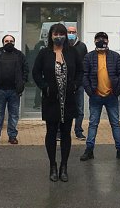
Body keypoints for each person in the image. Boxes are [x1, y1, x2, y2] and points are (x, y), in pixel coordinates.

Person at [32, 23, 84, 182]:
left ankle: (64, 166)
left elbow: (81, 71)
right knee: (51, 133)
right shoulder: (44, 53)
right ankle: (53, 166)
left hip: (68, 99)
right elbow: (35, 72)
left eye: (62, 33)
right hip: (51, 100)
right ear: (51, 36)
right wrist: (44, 87)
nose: (59, 36)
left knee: (66, 134)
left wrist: (75, 84)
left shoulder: (72, 52)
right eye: (56, 34)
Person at [80, 32, 120, 162]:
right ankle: (89, 150)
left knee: (115, 124)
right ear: (94, 41)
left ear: (108, 41)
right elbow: (84, 75)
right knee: (93, 124)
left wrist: (116, 91)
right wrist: (90, 91)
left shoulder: (115, 56)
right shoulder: (89, 57)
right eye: (98, 39)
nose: (101, 41)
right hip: (95, 96)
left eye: (104, 39)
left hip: (111, 96)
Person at [0, 34, 28, 145]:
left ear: (14, 42)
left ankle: (12, 136)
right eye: (6, 41)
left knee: (14, 115)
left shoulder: (19, 55)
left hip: (14, 91)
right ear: (3, 42)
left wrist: (22, 83)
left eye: (11, 41)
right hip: (0, 91)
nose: (9, 42)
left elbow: (25, 69)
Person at [68, 25, 88, 140]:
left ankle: (78, 131)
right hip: (66, 84)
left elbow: (85, 64)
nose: (71, 33)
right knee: (65, 109)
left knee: (79, 109)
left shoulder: (82, 46)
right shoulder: (63, 46)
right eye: (69, 32)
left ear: (77, 33)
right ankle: (61, 132)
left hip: (79, 83)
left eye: (73, 32)